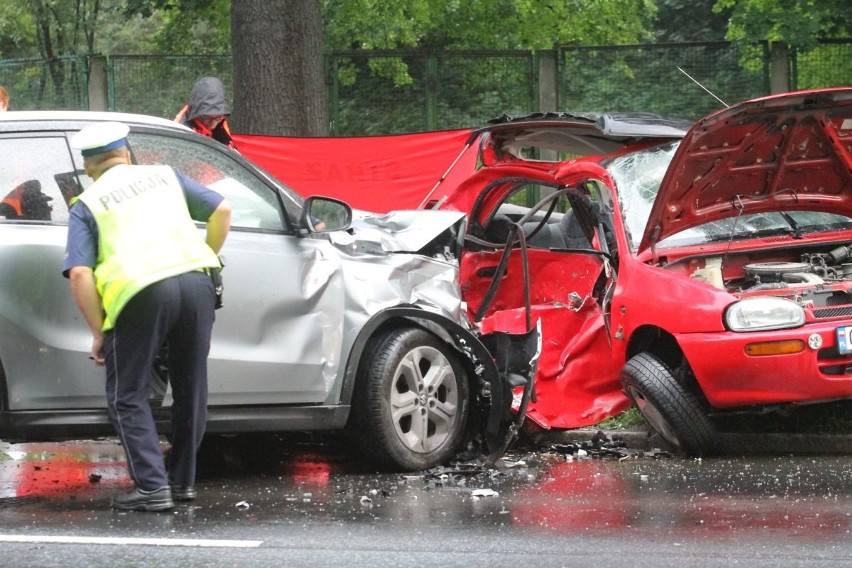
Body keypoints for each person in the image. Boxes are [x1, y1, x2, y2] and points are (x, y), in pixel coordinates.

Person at [62, 121, 231, 512]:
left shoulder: (87, 204)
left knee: (128, 393)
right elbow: (222, 208)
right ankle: (182, 482)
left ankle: (153, 488)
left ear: (88, 167)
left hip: (141, 293)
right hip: (197, 282)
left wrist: (99, 330)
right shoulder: (164, 176)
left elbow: (81, 274)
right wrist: (208, 253)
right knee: (191, 387)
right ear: (128, 153)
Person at [174, 77, 238, 150]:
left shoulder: (221, 119)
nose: (213, 125)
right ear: (197, 113)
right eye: (207, 117)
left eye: (218, 118)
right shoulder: (181, 130)